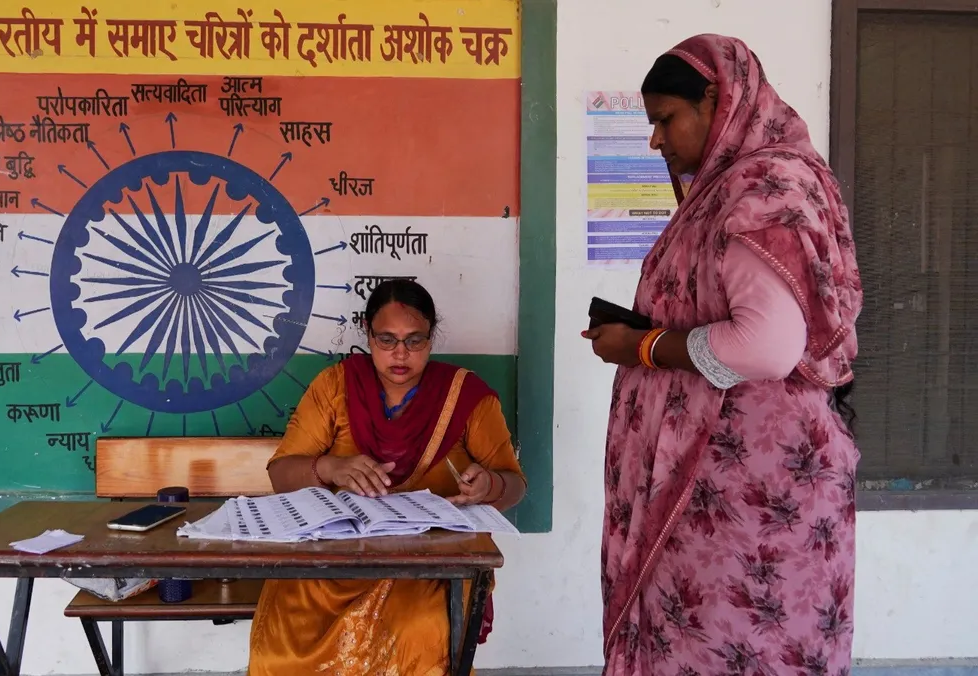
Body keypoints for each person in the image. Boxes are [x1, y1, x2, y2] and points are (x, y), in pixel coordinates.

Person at [582, 35, 863, 675]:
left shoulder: (764, 189)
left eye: (665, 119)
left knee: (736, 650)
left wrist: (641, 346)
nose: (655, 141)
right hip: (719, 487)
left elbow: (766, 346)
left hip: (745, 495)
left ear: (717, 99)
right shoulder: (735, 187)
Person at [246, 279, 526, 676]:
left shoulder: (465, 396)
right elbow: (280, 473)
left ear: (431, 336)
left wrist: (489, 486)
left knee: (417, 634)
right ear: (367, 333)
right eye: (387, 339)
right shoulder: (336, 386)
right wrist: (329, 467)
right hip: (334, 560)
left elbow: (514, 484)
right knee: (283, 644)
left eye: (415, 340)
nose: (400, 353)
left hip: (432, 566)